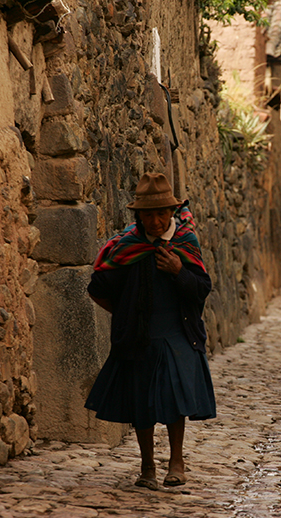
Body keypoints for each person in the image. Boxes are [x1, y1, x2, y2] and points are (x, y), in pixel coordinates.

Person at [85, 172, 216, 490]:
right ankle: (146, 467)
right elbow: (98, 286)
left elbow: (201, 288)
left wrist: (178, 271)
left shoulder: (185, 242)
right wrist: (125, 314)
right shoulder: (128, 247)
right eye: (148, 215)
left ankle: (176, 461)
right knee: (141, 402)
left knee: (174, 399)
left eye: (161, 213)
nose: (155, 221)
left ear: (171, 212)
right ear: (138, 215)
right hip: (140, 336)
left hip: (177, 334)